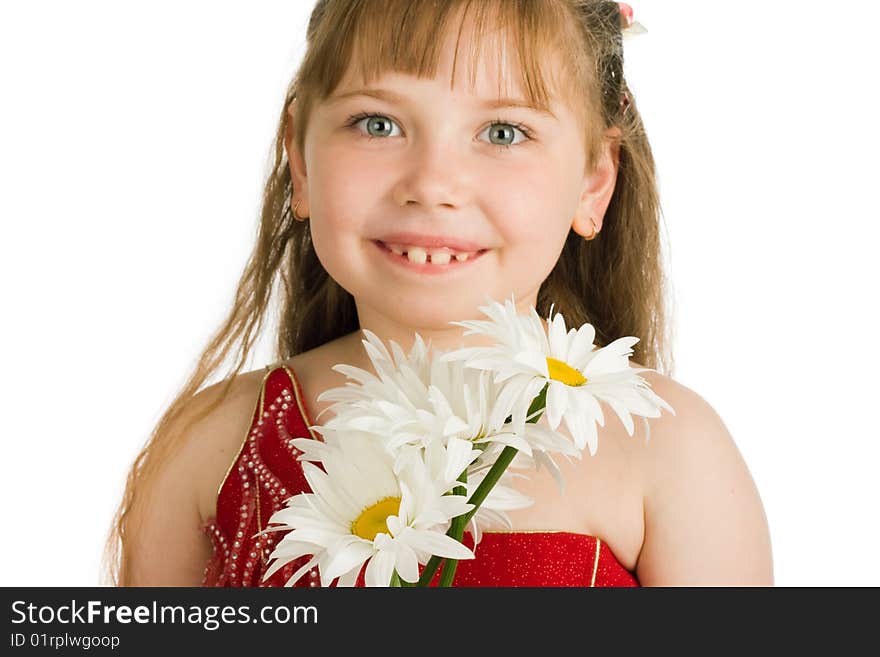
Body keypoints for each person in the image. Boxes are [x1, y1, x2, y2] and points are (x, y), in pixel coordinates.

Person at [104, 0, 773, 587]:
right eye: (377, 123)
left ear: (594, 181)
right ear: (300, 159)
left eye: (503, 132)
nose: (432, 182)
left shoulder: (669, 453)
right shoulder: (210, 447)